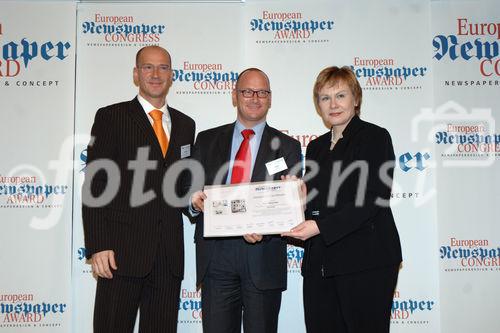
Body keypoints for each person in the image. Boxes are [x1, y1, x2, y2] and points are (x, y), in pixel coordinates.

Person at [82, 45, 195, 333]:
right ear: (136, 74)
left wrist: (197, 200)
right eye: (148, 67)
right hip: (120, 253)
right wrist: (98, 245)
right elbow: (96, 182)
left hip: (168, 258)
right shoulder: (111, 117)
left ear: (172, 75)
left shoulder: (185, 125)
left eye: (163, 68)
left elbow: (180, 187)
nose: (156, 74)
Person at [283, 66, 402, 333]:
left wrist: (321, 227)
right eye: (325, 98)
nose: (333, 104)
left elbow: (372, 199)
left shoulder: (375, 137)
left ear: (356, 99)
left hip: (366, 262)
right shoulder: (315, 147)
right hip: (321, 264)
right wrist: (296, 199)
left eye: (341, 95)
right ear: (318, 105)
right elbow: (315, 204)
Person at [187, 68, 302, 333]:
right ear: (234, 96)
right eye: (247, 91)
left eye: (262, 92)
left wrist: (267, 227)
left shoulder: (288, 146)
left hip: (263, 255)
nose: (255, 98)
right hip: (217, 256)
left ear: (270, 99)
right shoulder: (206, 139)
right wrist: (194, 201)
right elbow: (189, 186)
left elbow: (290, 204)